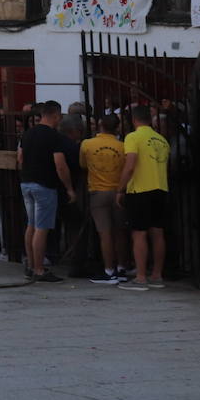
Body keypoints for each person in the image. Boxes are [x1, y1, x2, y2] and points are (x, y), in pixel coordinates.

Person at [17, 101, 76, 283]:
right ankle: (39, 269)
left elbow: (20, 158)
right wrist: (69, 188)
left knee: (31, 225)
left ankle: (30, 264)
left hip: (26, 182)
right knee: (42, 228)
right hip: (45, 185)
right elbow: (60, 164)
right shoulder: (54, 137)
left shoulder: (27, 134)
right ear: (56, 115)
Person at [117, 104, 170, 291]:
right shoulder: (162, 140)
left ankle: (140, 277)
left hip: (140, 189)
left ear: (134, 120)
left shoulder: (133, 137)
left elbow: (130, 165)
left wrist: (120, 189)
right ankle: (157, 274)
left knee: (139, 233)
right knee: (158, 232)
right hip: (161, 188)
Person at [80, 114, 129, 284]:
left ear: (100, 125)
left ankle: (109, 270)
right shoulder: (122, 146)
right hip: (118, 191)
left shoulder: (87, 144)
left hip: (98, 191)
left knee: (105, 233)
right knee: (120, 231)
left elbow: (83, 164)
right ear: (117, 128)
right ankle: (122, 267)